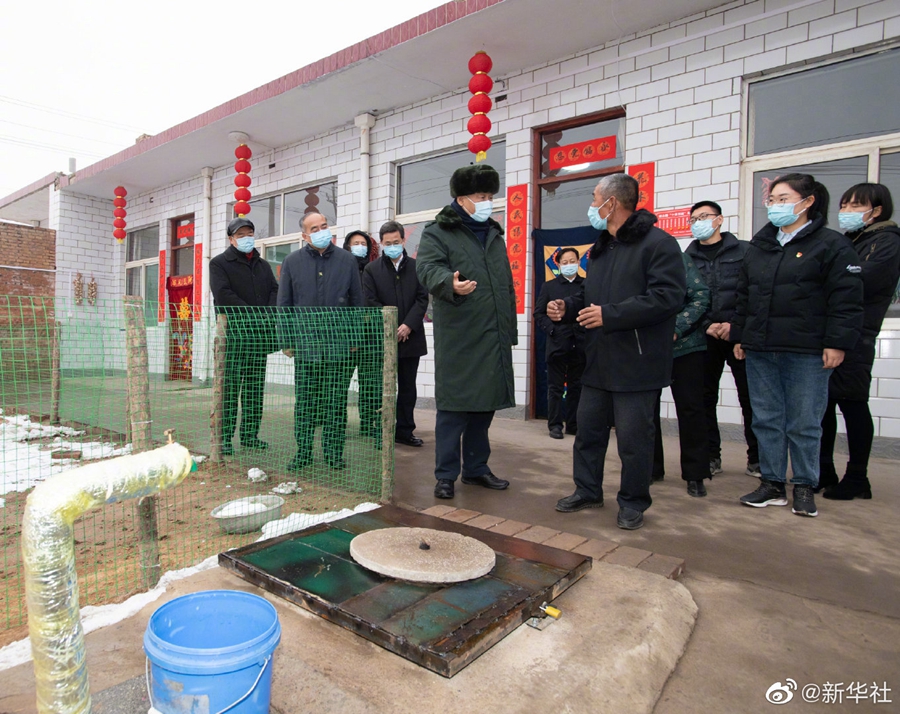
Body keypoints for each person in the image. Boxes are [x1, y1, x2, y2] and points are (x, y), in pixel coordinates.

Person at [549, 173, 685, 530]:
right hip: (598, 359)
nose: (592, 205)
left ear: (612, 203)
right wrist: (567, 306)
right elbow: (590, 295)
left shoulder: (659, 244)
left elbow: (667, 297)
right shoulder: (602, 248)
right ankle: (587, 490)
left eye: (595, 198)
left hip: (637, 361)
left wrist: (609, 315)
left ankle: (633, 502)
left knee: (634, 440)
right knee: (588, 433)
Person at [732, 173, 863, 518]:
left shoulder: (831, 245)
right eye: (772, 199)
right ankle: (772, 483)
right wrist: (741, 336)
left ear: (807, 202)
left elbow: (846, 299)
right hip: (761, 348)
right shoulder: (760, 246)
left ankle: (804, 485)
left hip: (807, 350)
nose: (775, 205)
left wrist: (837, 343)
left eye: (784, 199)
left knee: (804, 422)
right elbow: (744, 296)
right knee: (766, 418)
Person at [416, 164, 517, 500]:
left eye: (490, 195)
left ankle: (476, 468)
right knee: (454, 410)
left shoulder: (493, 234)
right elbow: (427, 268)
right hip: (460, 336)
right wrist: (449, 283)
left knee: (483, 409)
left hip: (491, 334)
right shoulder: (438, 232)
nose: (487, 201)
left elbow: (506, 285)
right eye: (481, 196)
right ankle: (446, 475)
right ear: (461, 198)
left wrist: (508, 331)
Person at [819, 183, 900, 500]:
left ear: (876, 210)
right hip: (830, 332)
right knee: (823, 405)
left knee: (852, 403)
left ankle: (857, 477)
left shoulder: (887, 241)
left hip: (857, 333)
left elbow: (860, 279)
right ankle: (824, 471)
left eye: (855, 205)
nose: (846, 211)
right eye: (844, 205)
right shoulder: (851, 240)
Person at [277, 212, 365, 470]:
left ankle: (333, 453)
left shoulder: (347, 260)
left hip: (338, 344)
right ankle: (303, 451)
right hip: (306, 345)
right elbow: (284, 303)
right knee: (305, 402)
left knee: (335, 402)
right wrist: (286, 340)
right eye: (314, 228)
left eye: (324, 226)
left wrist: (355, 336)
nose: (321, 231)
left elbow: (356, 300)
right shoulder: (292, 262)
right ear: (305, 236)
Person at [684, 200, 760, 478]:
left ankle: (758, 458)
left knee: (751, 398)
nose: (698, 223)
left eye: (704, 216)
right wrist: (706, 324)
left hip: (739, 336)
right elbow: (684, 297)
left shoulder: (745, 251)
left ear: (719, 220)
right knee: (703, 398)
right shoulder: (686, 257)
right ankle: (710, 456)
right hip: (703, 335)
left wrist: (736, 327)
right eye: (693, 219)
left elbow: (754, 293)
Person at [209, 217, 279, 456]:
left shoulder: (263, 265)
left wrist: (267, 314)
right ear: (231, 239)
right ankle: (224, 438)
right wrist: (254, 315)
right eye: (240, 235)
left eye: (249, 234)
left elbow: (274, 290)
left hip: (259, 338)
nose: (246, 238)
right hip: (233, 336)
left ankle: (250, 435)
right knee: (229, 390)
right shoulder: (219, 263)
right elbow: (223, 294)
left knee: (254, 389)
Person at [363, 220, 430, 447]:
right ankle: (381, 432)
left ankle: (404, 431)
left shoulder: (417, 267)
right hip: (383, 339)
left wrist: (408, 324)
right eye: (388, 243)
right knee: (382, 388)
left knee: (408, 387)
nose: (392, 246)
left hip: (411, 338)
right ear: (382, 244)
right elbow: (370, 301)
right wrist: (391, 326)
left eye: (396, 241)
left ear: (403, 240)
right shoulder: (372, 270)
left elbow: (422, 298)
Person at [652, 252, 711, 496]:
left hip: (686, 346)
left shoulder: (677, 259)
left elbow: (701, 295)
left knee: (691, 408)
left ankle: (695, 473)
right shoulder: (632, 261)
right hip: (647, 348)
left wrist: (675, 328)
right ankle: (651, 468)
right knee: (645, 410)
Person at [533, 247, 586, 439]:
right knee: (555, 387)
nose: (569, 265)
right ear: (558, 265)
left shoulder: (586, 285)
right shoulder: (549, 286)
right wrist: (553, 330)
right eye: (565, 262)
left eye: (572, 261)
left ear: (578, 262)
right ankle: (555, 425)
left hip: (580, 343)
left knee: (576, 386)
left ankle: (573, 424)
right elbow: (539, 313)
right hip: (557, 343)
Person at [343, 230, 382, 443]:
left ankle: (369, 423)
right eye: (355, 243)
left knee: (371, 383)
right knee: (340, 383)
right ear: (347, 247)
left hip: (371, 336)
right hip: (346, 337)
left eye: (363, 243)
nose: (360, 246)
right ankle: (337, 424)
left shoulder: (374, 269)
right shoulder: (341, 269)